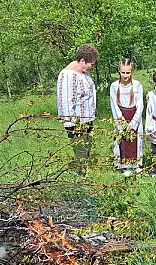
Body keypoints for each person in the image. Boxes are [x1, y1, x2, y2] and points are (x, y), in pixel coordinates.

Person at [57, 44, 99, 175]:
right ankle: (80, 176)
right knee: (80, 149)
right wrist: (72, 124)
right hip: (77, 123)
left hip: (87, 119)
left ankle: (84, 172)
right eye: (91, 64)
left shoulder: (83, 73)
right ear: (82, 61)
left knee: (86, 148)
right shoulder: (68, 75)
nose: (92, 66)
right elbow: (66, 101)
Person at [110, 58, 144, 176]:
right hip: (121, 116)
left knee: (135, 140)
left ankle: (136, 164)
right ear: (119, 71)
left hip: (134, 115)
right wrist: (122, 122)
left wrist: (134, 123)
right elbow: (114, 105)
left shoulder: (137, 85)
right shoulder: (114, 86)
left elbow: (140, 105)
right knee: (123, 140)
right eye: (123, 72)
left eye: (128, 72)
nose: (125, 75)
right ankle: (124, 164)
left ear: (132, 71)